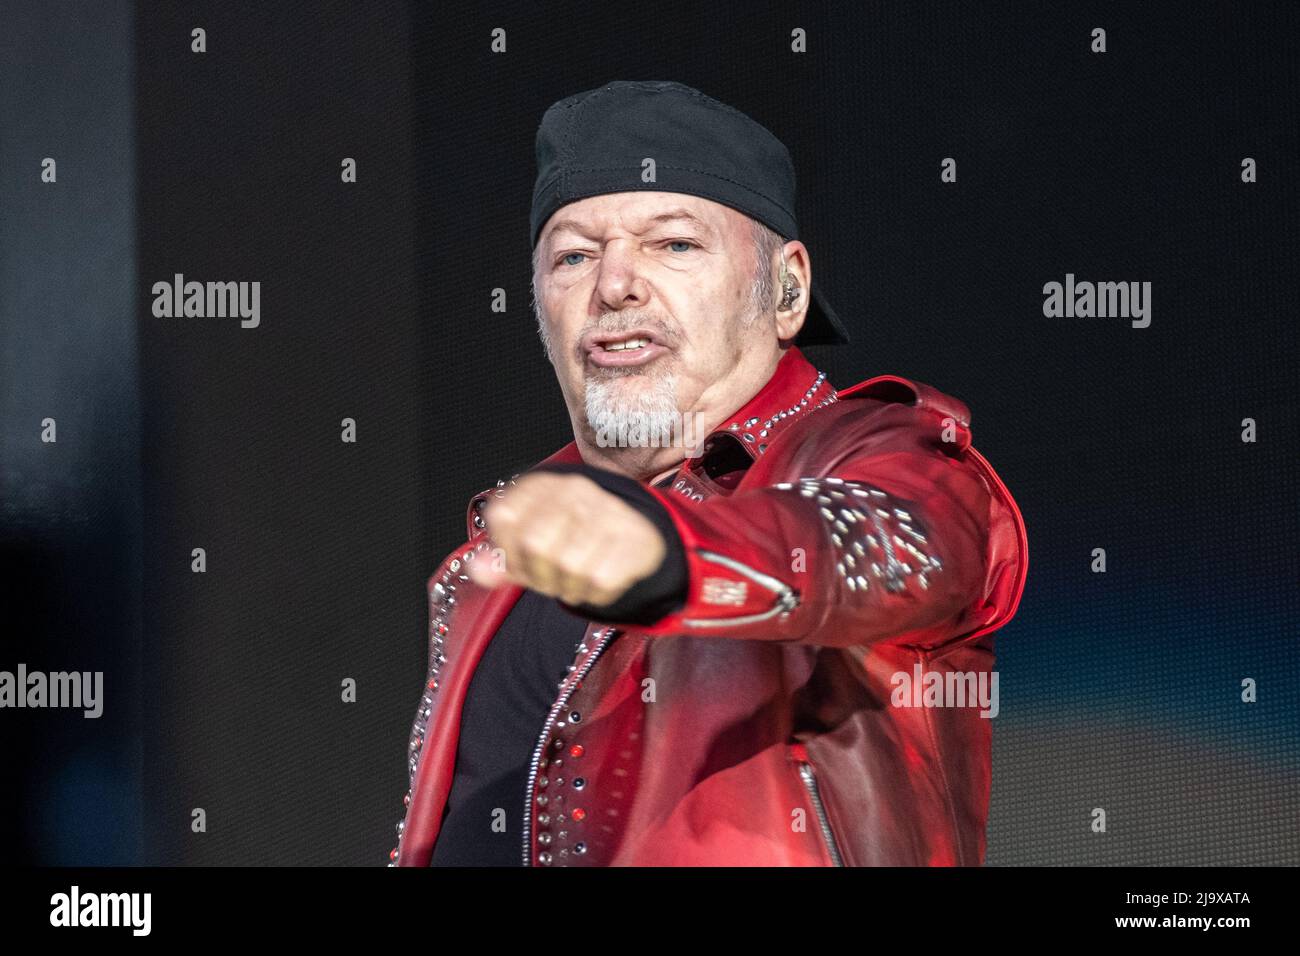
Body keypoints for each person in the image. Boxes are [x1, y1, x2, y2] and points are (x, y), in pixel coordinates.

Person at [390, 80, 1027, 867]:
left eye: (674, 244)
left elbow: (889, 547)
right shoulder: (492, 563)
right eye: (574, 256)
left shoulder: (880, 453)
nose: (613, 285)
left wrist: (668, 559)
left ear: (787, 289)